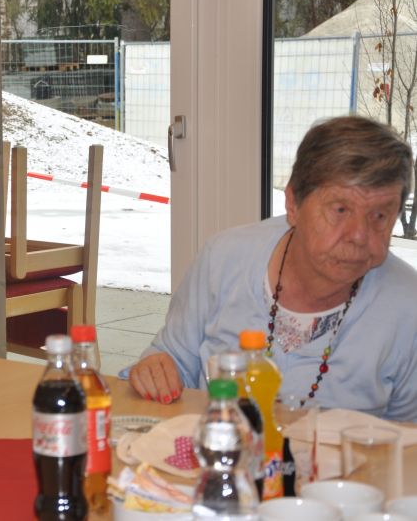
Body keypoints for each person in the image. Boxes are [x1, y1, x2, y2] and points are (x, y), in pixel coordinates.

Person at [127, 116, 417, 421]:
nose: (359, 235)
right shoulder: (224, 259)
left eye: (380, 215)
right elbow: (173, 359)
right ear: (293, 203)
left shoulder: (407, 305)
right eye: (341, 209)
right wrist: (155, 369)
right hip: (224, 447)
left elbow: (410, 434)